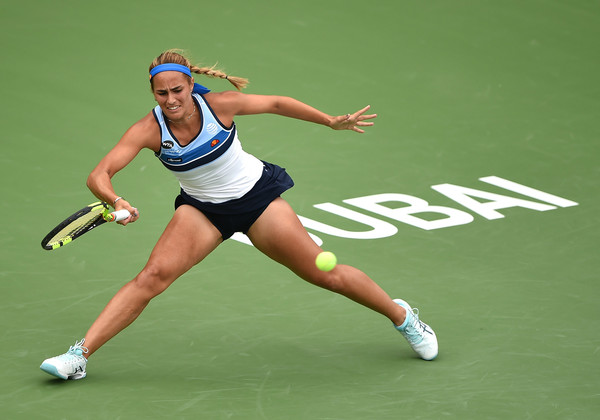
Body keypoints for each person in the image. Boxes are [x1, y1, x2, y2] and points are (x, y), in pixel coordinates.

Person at [40, 49, 438, 380]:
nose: (170, 99)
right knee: (151, 278)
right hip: (202, 211)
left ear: (190, 85)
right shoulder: (148, 129)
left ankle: (403, 317)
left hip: (257, 201)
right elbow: (99, 174)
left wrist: (330, 121)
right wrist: (116, 199)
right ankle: (79, 356)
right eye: (161, 93)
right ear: (154, 92)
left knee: (324, 273)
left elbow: (277, 103)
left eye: (177, 89)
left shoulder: (220, 106)